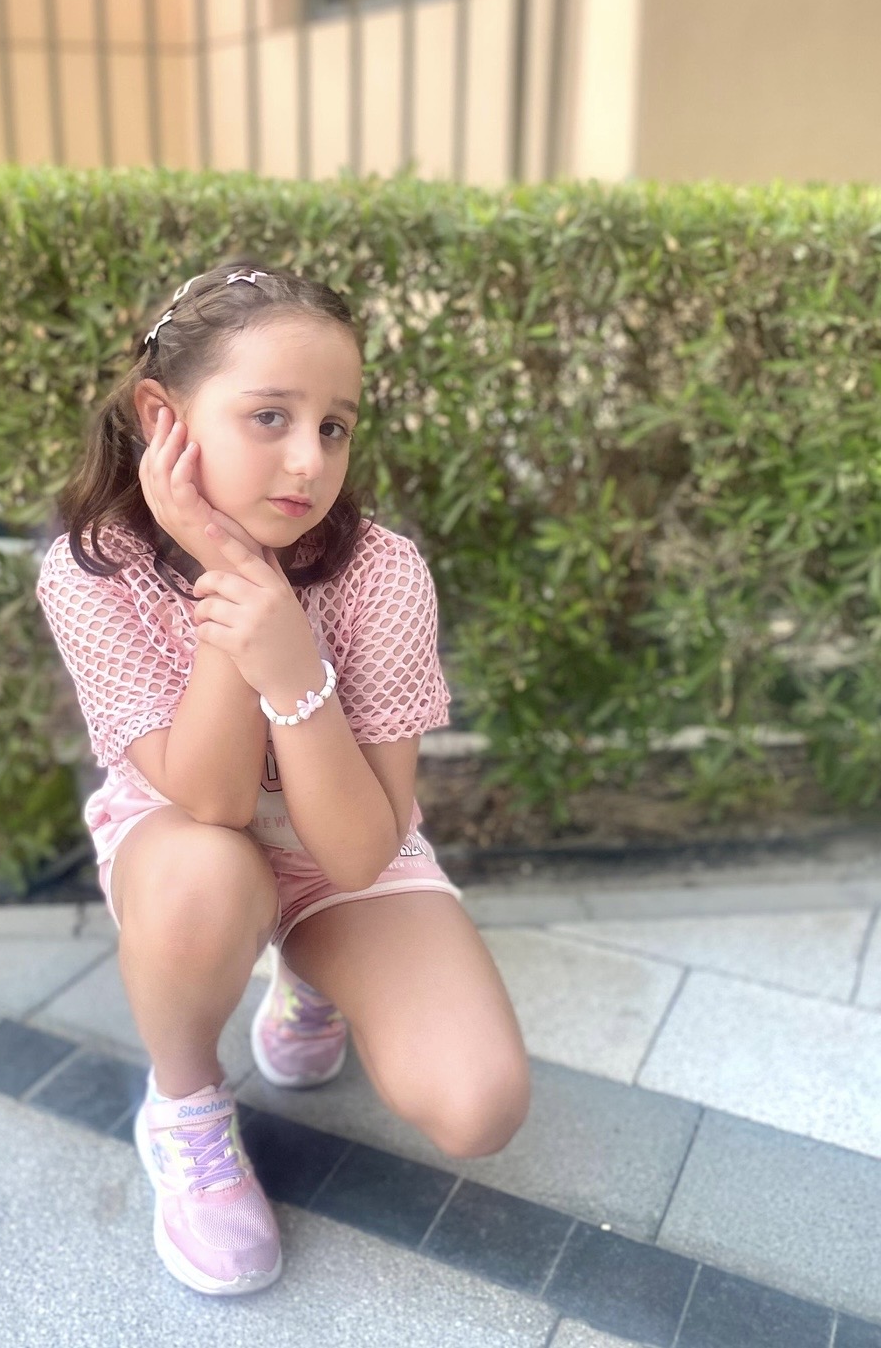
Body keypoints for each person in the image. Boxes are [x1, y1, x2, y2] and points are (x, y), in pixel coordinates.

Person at [36, 260, 530, 1297]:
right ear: (163, 417)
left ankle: (313, 976)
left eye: (335, 426)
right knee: (211, 872)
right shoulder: (95, 569)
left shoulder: (382, 572)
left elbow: (357, 851)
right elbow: (212, 801)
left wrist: (296, 666)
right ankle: (185, 1106)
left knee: (478, 1103)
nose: (310, 459)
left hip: (341, 846)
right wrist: (236, 577)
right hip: (187, 840)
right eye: (270, 415)